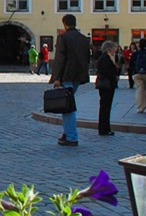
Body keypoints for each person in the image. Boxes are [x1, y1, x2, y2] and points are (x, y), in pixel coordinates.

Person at [50, 14, 90, 147]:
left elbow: (60, 59)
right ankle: (67, 133)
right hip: (79, 75)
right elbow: (87, 58)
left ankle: (71, 137)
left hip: (67, 75)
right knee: (68, 104)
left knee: (67, 107)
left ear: (64, 24)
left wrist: (57, 78)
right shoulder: (83, 38)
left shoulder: (63, 37)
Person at [95, 41, 120, 136]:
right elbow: (108, 72)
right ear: (110, 49)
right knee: (105, 107)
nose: (115, 50)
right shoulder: (105, 58)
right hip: (107, 85)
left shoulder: (105, 57)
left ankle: (105, 128)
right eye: (114, 48)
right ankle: (104, 129)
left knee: (105, 107)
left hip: (106, 84)